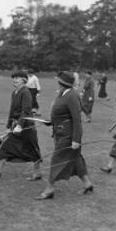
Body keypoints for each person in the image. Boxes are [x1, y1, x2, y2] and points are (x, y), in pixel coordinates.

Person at [35, 71, 93, 200]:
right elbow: (60, 114)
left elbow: (77, 119)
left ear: (62, 83)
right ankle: (87, 183)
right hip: (60, 132)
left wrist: (76, 140)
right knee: (75, 158)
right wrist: (50, 121)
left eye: (58, 81)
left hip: (68, 135)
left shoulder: (72, 95)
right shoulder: (62, 94)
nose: (57, 83)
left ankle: (50, 188)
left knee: (57, 159)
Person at [0, 70, 42, 180]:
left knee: (33, 150)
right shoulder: (14, 92)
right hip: (16, 126)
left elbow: (26, 111)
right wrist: (8, 127)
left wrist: (20, 125)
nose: (14, 80)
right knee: (6, 146)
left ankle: (37, 173)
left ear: (24, 80)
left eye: (17, 78)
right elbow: (12, 111)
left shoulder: (26, 92)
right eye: (13, 78)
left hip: (26, 126)